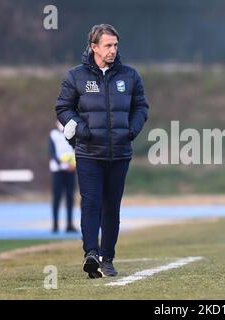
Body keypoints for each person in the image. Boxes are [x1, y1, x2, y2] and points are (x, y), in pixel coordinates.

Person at [55, 24, 149, 278]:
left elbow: (141, 106)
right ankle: (91, 254)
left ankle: (107, 258)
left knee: (111, 208)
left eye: (115, 45)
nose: (113, 50)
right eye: (108, 45)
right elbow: (63, 108)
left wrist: (131, 129)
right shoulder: (75, 76)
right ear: (94, 47)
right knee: (91, 203)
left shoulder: (130, 76)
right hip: (88, 153)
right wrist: (82, 129)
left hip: (120, 153)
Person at [49, 120, 77, 233]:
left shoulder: (72, 134)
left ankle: (69, 224)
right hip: (57, 171)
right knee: (57, 197)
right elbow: (52, 153)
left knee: (70, 197)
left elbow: (75, 149)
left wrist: (73, 164)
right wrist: (62, 164)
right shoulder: (53, 135)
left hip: (71, 170)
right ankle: (55, 224)